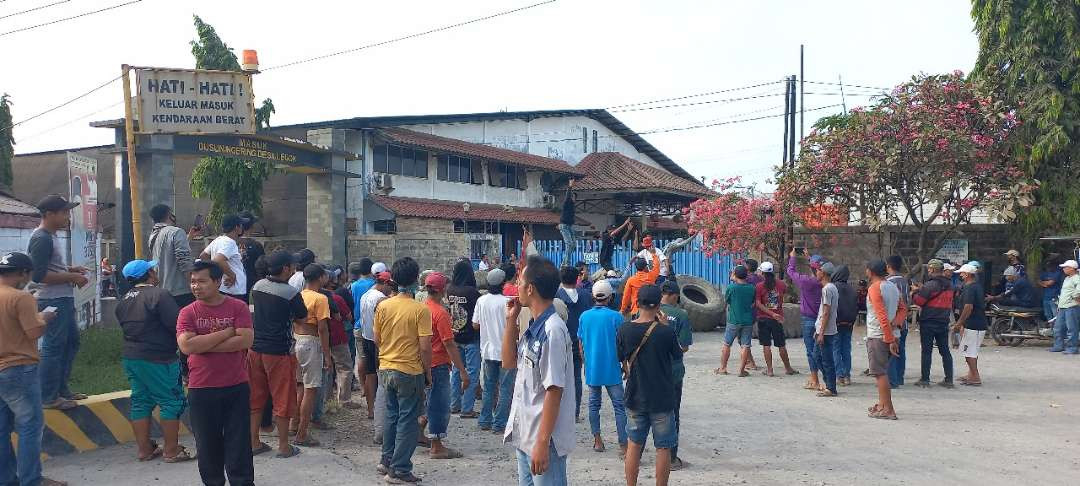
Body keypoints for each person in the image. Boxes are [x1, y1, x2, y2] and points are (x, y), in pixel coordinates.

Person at [176, 260, 255, 486]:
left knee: (239, 443)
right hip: (201, 388)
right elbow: (187, 347)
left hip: (236, 385)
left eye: (202, 281)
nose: (196, 286)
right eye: (192, 281)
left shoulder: (237, 307)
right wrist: (227, 333)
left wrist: (203, 344)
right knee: (207, 445)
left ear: (217, 281)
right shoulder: (187, 312)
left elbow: (246, 340)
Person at [503, 256, 575, 486]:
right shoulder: (535, 327)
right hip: (526, 433)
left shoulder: (552, 330)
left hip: (544, 439)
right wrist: (510, 320)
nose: (517, 287)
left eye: (520, 282)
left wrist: (543, 443)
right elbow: (508, 362)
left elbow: (554, 390)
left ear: (531, 288)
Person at [115, 260, 192, 463]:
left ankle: (144, 450)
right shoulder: (159, 295)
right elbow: (177, 325)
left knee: (141, 401)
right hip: (159, 358)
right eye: (153, 269)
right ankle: (171, 450)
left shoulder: (123, 300)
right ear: (149, 273)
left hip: (132, 357)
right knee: (171, 401)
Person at [0, 252, 66, 486]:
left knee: (1, 429)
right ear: (23, 273)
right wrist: (45, 317)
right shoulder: (21, 298)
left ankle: (6, 479)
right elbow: (34, 332)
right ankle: (32, 479)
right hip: (18, 368)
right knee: (30, 426)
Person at [27, 194, 89, 410]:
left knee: (71, 343)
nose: (67, 216)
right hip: (52, 299)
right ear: (49, 214)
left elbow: (49, 268)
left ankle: (61, 390)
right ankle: (48, 396)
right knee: (54, 346)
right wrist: (72, 277)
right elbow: (38, 276)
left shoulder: (51, 236)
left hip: (62, 297)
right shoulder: (41, 237)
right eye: (63, 212)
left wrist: (70, 270)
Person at [374, 257, 432, 484]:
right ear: (416, 279)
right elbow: (425, 347)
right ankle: (399, 469)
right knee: (408, 420)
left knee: (391, 415)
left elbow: (377, 339)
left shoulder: (384, 305)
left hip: (386, 367)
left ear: (394, 279)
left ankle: (386, 460)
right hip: (409, 370)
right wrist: (428, 373)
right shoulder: (420, 309)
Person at [617, 285, 682, 486]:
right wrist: (664, 326)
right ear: (658, 305)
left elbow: (621, 358)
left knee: (634, 445)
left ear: (638, 302)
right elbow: (677, 355)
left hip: (635, 394)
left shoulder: (625, 329)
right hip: (662, 396)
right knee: (663, 448)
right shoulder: (666, 332)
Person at [247, 250, 306, 459]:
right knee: (283, 398)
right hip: (279, 352)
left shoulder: (256, 286)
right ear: (286, 269)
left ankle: (253, 442)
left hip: (254, 349)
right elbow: (302, 318)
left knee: (255, 397)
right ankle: (283, 446)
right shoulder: (290, 292)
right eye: (292, 265)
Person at [576, 279, 627, 456]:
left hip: (593, 369)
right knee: (619, 407)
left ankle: (597, 440)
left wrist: (585, 364)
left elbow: (580, 344)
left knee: (593, 405)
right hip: (612, 369)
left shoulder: (584, 317)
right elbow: (622, 345)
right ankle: (623, 444)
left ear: (593, 296)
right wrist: (626, 366)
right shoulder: (616, 317)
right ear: (610, 297)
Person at [422, 272, 469, 459]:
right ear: (442, 290)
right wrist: (463, 371)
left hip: (424, 363)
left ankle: (421, 435)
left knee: (428, 402)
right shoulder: (440, 313)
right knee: (439, 405)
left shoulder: (423, 308)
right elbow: (449, 343)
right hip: (438, 363)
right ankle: (437, 446)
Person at [291, 264, 333, 448]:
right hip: (311, 342)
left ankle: (294, 423)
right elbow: (322, 328)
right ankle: (302, 433)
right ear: (321, 277)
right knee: (311, 389)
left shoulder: (297, 295)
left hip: (296, 339)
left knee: (299, 385)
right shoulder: (320, 298)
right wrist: (327, 354)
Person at [476, 269, 515, 433]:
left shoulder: (481, 301)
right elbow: (514, 327)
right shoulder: (507, 301)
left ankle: (485, 420)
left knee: (489, 387)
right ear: (503, 283)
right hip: (505, 350)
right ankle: (499, 423)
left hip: (487, 348)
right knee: (505, 388)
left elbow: (475, 324)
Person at [659, 280, 692, 470]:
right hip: (673, 372)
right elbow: (684, 347)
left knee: (645, 414)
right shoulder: (680, 315)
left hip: (650, 371)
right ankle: (671, 458)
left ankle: (635, 455)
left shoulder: (645, 312)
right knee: (672, 414)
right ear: (674, 295)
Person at [865, 260, 901, 420]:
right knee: (882, 371)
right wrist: (896, 325)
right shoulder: (892, 286)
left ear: (870, 271)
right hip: (891, 333)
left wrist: (889, 338)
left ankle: (888, 408)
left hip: (879, 335)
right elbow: (903, 308)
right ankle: (882, 404)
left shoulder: (874, 288)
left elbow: (881, 315)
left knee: (880, 373)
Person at [911, 259, 955, 388]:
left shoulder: (930, 285)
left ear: (933, 269)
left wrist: (914, 292)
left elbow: (919, 301)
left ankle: (925, 379)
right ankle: (949, 379)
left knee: (926, 351)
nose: (928, 271)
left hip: (929, 321)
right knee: (945, 351)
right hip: (943, 321)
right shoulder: (950, 285)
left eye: (929, 269)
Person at [447, 260, 482, 419]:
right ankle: (467, 408)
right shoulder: (472, 292)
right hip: (471, 337)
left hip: (455, 335)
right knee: (472, 373)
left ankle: (454, 405)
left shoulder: (450, 289)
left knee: (456, 370)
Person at [556, 265, 591, 421]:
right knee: (576, 378)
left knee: (557, 377)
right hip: (579, 342)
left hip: (560, 342)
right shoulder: (585, 295)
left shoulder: (556, 296)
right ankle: (575, 412)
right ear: (577, 278)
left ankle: (559, 411)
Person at [787, 248, 824, 391]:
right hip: (823, 319)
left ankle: (814, 378)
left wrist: (792, 258)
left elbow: (791, 272)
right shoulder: (826, 283)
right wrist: (810, 259)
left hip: (809, 319)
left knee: (811, 350)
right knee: (824, 349)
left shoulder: (806, 282)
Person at [147, 204, 198, 308]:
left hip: (162, 290)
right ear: (169, 215)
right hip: (180, 290)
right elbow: (184, 260)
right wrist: (193, 283)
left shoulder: (153, 235)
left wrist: (189, 237)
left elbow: (168, 252)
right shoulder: (176, 231)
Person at [358, 271, 393, 420]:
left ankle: (371, 410)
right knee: (381, 376)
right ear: (385, 283)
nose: (391, 289)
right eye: (390, 285)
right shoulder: (380, 299)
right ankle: (382, 410)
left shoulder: (366, 294)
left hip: (366, 337)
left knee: (370, 375)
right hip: (378, 341)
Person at [324, 268, 357, 409]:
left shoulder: (314, 297)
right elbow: (349, 316)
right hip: (337, 336)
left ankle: (326, 399)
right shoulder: (336, 298)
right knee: (345, 367)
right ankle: (344, 399)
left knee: (327, 368)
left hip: (322, 338)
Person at [199, 213, 249, 302]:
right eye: (241, 225)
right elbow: (218, 260)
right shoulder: (230, 242)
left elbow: (203, 256)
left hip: (224, 288)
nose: (242, 227)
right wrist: (232, 275)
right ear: (237, 227)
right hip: (234, 290)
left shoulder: (218, 240)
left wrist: (214, 272)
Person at [716, 266, 755, 376]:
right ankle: (741, 370)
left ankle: (722, 368)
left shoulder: (731, 288)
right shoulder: (752, 288)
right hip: (747, 320)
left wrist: (733, 278)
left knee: (727, 344)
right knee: (745, 345)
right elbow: (752, 303)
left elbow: (727, 301)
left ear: (735, 275)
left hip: (733, 320)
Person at [953, 264, 987, 386]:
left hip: (973, 324)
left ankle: (975, 376)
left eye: (961, 273)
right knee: (971, 351)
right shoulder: (976, 286)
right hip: (976, 323)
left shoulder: (969, 288)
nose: (960, 275)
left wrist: (959, 323)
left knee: (969, 352)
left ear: (967, 275)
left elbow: (968, 306)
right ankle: (971, 373)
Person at [813, 262, 840, 397]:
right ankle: (828, 382)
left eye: (817, 271)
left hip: (827, 331)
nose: (816, 273)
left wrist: (821, 332)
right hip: (823, 329)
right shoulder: (831, 288)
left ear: (822, 273)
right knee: (816, 356)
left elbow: (826, 311)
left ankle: (831, 386)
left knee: (826, 359)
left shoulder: (827, 289)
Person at [831, 265, 858, 386]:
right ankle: (847, 375)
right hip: (849, 324)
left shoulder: (833, 287)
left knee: (836, 349)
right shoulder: (852, 289)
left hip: (836, 323)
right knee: (846, 349)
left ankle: (839, 375)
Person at [886, 256, 910, 389]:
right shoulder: (905, 281)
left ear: (888, 266)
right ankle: (899, 378)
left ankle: (892, 380)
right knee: (901, 351)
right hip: (903, 322)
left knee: (890, 352)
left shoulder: (887, 282)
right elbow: (907, 303)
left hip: (892, 323)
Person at [620, 253, 661, 318]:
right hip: (650, 311)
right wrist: (653, 254)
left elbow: (626, 297)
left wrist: (622, 310)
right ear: (645, 267)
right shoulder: (651, 276)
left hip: (636, 311)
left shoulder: (631, 280)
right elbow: (657, 266)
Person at [1052, 260, 1080, 354]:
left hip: (1072, 306)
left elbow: (1079, 289)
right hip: (1063, 306)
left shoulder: (1077, 278)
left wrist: (1075, 296)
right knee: (1058, 327)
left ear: (1072, 268)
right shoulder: (1067, 278)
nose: (1063, 269)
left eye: (1065, 267)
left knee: (1071, 328)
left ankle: (1072, 348)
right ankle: (1058, 346)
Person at [237, 212, 263, 297]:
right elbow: (262, 265)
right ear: (251, 227)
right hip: (251, 284)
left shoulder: (231, 243)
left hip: (233, 284)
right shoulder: (256, 245)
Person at [559, 180, 577, 266]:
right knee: (569, 244)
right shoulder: (567, 203)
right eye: (573, 197)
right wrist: (570, 186)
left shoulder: (573, 206)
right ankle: (567, 263)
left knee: (573, 244)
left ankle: (564, 262)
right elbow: (567, 196)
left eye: (575, 198)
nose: (574, 199)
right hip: (564, 226)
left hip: (570, 226)